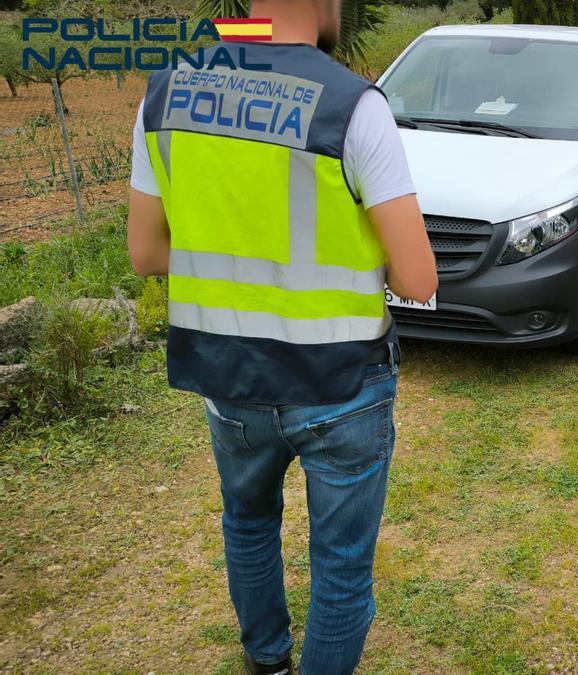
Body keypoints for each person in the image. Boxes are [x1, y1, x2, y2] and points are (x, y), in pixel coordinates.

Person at [125, 0, 438, 672]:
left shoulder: (165, 93)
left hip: (227, 376)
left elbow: (147, 254)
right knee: (342, 568)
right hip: (341, 385)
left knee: (246, 521)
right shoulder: (354, 106)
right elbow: (416, 279)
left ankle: (265, 660)